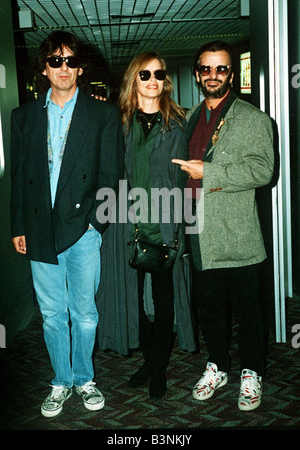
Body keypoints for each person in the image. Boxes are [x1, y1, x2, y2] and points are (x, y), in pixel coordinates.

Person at [10, 31, 124, 417]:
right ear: (44, 68)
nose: (64, 68)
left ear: (80, 67)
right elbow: (20, 177)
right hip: (40, 229)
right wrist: (18, 226)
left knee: (85, 312)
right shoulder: (24, 116)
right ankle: (60, 381)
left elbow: (112, 177)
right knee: (53, 314)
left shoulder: (102, 114)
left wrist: (96, 225)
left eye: (70, 61)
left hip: (83, 230)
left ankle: (84, 378)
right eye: (55, 61)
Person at [172, 41, 274, 411]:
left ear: (231, 74)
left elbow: (263, 170)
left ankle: (252, 371)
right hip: (198, 232)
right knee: (210, 308)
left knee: (249, 310)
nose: (213, 75)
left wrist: (209, 171)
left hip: (237, 233)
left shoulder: (253, 118)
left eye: (222, 69)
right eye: (206, 69)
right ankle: (217, 365)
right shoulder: (189, 118)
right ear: (198, 73)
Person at [96, 51, 196, 400]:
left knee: (165, 299)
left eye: (158, 74)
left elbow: (186, 178)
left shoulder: (179, 122)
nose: (153, 80)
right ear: (133, 80)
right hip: (126, 224)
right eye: (144, 74)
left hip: (166, 223)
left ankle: (158, 369)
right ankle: (151, 360)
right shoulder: (118, 122)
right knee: (134, 299)